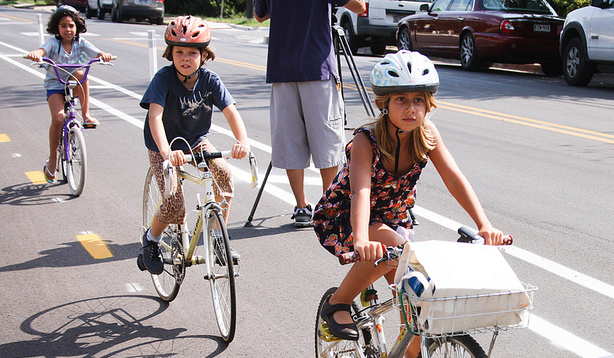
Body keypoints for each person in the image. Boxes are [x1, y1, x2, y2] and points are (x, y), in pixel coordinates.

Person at [312, 51, 505, 358]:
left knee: (414, 311)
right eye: (401, 98)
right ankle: (337, 303)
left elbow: (454, 178)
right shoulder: (366, 140)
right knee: (395, 248)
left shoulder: (427, 135)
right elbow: (362, 190)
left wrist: (484, 224)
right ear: (383, 102)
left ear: (429, 103)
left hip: (395, 218)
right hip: (348, 218)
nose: (411, 107)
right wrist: (361, 239)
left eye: (419, 99)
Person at [137, 16, 250, 275]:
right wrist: (166, 153)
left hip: (196, 142)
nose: (185, 58)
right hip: (163, 145)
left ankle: (218, 238)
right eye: (179, 52)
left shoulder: (210, 80)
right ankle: (151, 240)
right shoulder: (163, 79)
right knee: (174, 203)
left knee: (224, 175)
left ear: (204, 55)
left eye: (192, 52)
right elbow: (155, 116)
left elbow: (231, 112)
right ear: (170, 54)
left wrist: (242, 143)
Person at [253, 0, 366, 227]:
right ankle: (329, 206)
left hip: (282, 69)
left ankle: (301, 207)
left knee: (290, 141)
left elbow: (259, 15)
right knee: (327, 142)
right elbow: (359, 6)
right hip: (318, 67)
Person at [26, 5, 113, 183]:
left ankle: (86, 114)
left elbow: (96, 52)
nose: (68, 29)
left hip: (73, 83)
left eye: (71, 25)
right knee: (58, 119)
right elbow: (42, 50)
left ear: (77, 27)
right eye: (63, 25)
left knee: (82, 74)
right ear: (56, 28)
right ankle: (52, 160)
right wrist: (36, 54)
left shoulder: (80, 43)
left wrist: (104, 55)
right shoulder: (53, 44)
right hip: (55, 85)